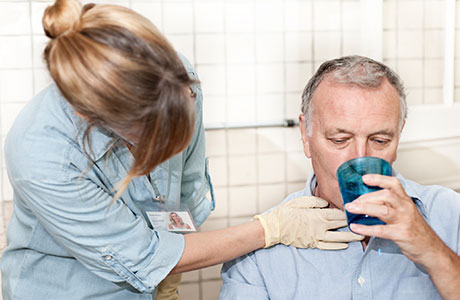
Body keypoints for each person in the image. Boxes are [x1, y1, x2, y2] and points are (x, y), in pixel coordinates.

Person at [0, 1, 363, 299]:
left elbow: (183, 189)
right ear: (96, 118)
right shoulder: (43, 155)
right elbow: (141, 257)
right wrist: (270, 229)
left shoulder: (176, 80)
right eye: (155, 133)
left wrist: (169, 277)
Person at [220, 55, 460, 300]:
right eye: (339, 140)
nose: (359, 160)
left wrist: (434, 252)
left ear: (399, 135)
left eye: (380, 141)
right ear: (306, 135)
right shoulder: (256, 255)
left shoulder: (449, 214)